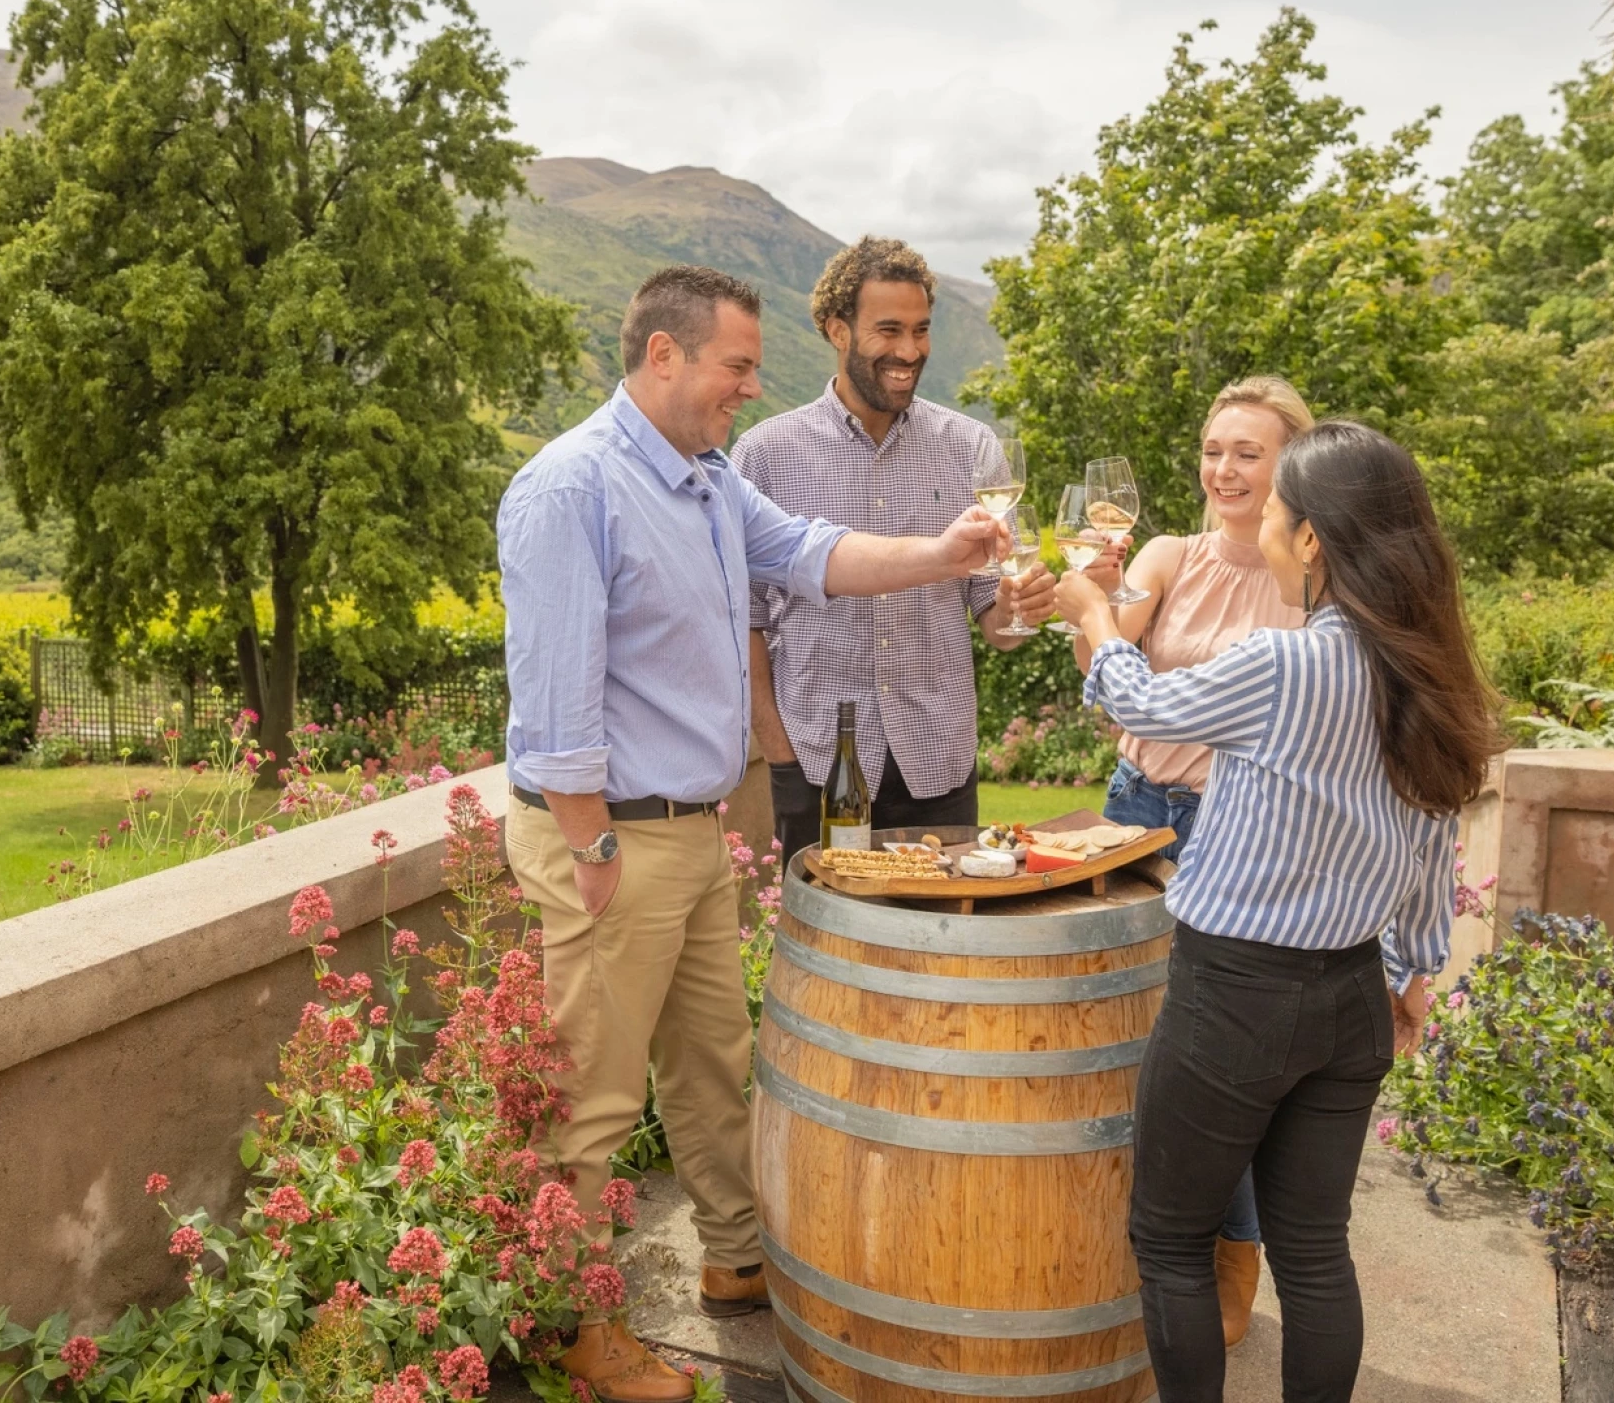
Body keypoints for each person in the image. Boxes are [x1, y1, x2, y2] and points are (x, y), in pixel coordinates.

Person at [497, 264, 1013, 1403]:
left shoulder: (707, 481)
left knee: (711, 1067)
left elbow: (817, 554)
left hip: (683, 834)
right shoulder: (568, 488)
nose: (748, 386)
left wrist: (945, 552)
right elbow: (554, 701)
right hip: (612, 842)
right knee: (592, 1099)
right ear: (665, 355)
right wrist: (589, 850)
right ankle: (573, 1330)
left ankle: (735, 1262)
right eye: (733, 365)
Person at [1049, 420, 1503, 1403]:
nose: (1257, 523)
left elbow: (1145, 707)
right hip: (1350, 997)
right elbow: (1432, 839)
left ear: (1310, 541)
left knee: (1169, 1239)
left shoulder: (1283, 664)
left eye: (1279, 512)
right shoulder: (1423, 671)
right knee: (1314, 1253)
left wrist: (1090, 608)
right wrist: (1414, 969)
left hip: (1233, 996)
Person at [1073, 374, 1315, 1345]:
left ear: (1287, 465)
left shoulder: (1309, 579)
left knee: (1226, 1058)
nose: (1222, 469)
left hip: (1234, 829)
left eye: (1245, 452)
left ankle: (1234, 1255)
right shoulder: (1168, 555)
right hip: (1135, 812)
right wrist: (1091, 590)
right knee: (1118, 1024)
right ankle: (1127, 1236)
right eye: (1213, 450)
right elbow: (1103, 669)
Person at [738, 236, 1057, 854]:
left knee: (941, 943)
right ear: (838, 329)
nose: (909, 351)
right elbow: (744, 622)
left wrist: (1022, 609)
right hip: (814, 761)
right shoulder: (765, 456)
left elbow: (997, 622)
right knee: (824, 946)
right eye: (889, 330)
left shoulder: (972, 447)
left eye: (921, 330)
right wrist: (780, 753)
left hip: (937, 762)